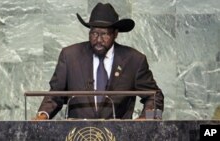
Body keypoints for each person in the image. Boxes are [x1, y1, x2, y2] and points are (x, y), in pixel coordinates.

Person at [35, 3, 164, 120]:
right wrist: (42, 115)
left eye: (104, 34)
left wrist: (147, 119)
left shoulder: (134, 60)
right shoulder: (70, 56)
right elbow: (54, 94)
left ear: (115, 34)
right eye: (94, 33)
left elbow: (156, 96)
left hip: (119, 135)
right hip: (79, 134)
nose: (98, 40)